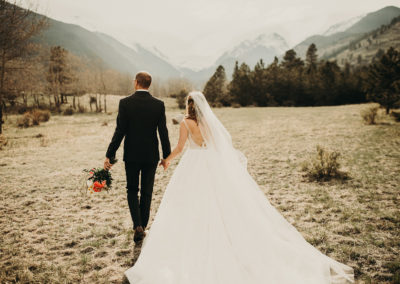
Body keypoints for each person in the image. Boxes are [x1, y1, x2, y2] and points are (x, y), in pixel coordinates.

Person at [125, 91, 354, 283]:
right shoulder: (208, 123)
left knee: (189, 204)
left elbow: (180, 147)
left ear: (189, 106)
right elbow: (218, 145)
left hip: (193, 165)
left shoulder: (186, 123)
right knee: (221, 202)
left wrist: (166, 160)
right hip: (211, 163)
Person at [104, 71, 171, 243]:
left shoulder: (125, 103)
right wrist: (166, 156)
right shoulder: (159, 104)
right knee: (147, 191)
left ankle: (137, 225)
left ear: (136, 83)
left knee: (132, 190)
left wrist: (110, 154)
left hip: (132, 155)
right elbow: (163, 132)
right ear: (148, 84)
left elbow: (120, 131)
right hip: (151, 156)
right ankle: (143, 226)